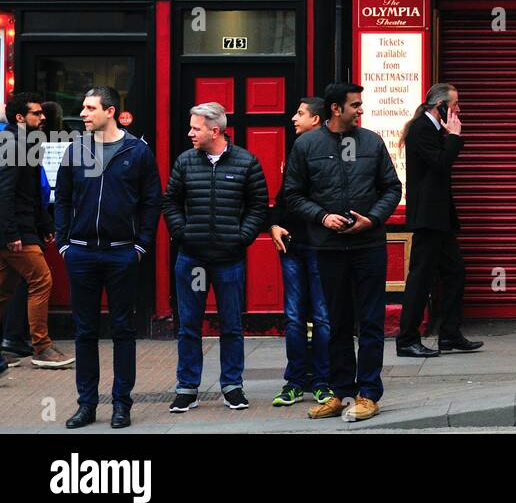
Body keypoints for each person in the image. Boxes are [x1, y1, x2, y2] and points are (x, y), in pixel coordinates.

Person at [281, 82, 401, 423]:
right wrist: (322, 216)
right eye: (355, 105)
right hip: (328, 247)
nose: (360, 110)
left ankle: (367, 394)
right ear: (336, 109)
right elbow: (292, 193)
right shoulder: (306, 145)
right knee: (335, 323)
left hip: (369, 245)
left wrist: (373, 218)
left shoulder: (372, 142)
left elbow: (392, 187)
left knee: (371, 322)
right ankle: (339, 392)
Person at [56, 86, 163, 429]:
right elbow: (62, 199)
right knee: (85, 331)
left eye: (90, 108)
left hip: (121, 254)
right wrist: (63, 244)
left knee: (123, 330)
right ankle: (86, 405)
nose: (83, 114)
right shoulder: (76, 150)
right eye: (83, 108)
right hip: (82, 253)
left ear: (110, 111)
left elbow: (151, 201)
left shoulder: (137, 151)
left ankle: (121, 404)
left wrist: (141, 245)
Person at [162, 102, 269, 413]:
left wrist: (241, 237)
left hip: (229, 260)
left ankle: (232, 386)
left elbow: (258, 206)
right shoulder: (185, 162)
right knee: (189, 325)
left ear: (215, 131)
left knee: (232, 324)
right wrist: (183, 233)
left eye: (196, 128)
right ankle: (187, 388)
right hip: (192, 258)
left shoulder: (246, 162)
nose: (190, 133)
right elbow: (170, 202)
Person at [396, 83, 482, 357]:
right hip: (428, 217)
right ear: (440, 106)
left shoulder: (432, 129)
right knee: (420, 277)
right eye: (455, 104)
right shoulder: (422, 128)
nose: (458, 110)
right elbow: (441, 164)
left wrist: (449, 136)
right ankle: (407, 339)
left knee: (455, 272)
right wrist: (455, 136)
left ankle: (449, 334)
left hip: (439, 217)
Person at [269, 97, 333, 407]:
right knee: (294, 317)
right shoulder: (296, 149)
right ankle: (295, 382)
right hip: (293, 244)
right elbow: (284, 195)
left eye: (300, 113)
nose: (294, 118)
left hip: (320, 245)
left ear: (317, 120)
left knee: (321, 316)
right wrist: (275, 224)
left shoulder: (327, 151)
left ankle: (321, 381)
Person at [0, 93, 71, 369]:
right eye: (36, 114)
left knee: (4, 292)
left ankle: (13, 349)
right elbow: (5, 192)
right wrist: (11, 234)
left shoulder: (23, 143)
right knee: (41, 280)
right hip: (15, 230)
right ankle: (42, 347)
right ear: (20, 118)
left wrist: (44, 224)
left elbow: (28, 192)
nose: (42, 118)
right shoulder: (12, 144)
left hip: (21, 227)